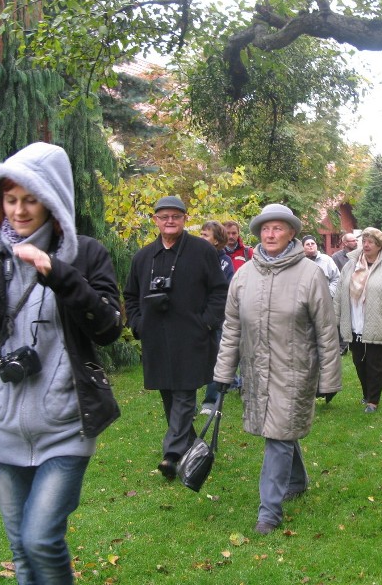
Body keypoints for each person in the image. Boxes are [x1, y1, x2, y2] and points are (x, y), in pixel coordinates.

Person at [0, 142, 123, 584]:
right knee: (21, 551)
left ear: (52, 200)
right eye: (11, 199)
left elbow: (108, 327)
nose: (19, 211)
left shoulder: (86, 254)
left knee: (40, 540)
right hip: (1, 426)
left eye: (30, 199)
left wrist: (57, 273)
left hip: (64, 426)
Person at [213, 203, 342, 535]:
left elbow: (327, 330)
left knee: (278, 436)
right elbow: (231, 328)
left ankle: (269, 512)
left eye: (278, 228)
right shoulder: (243, 276)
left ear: (292, 234)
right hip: (257, 371)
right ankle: (296, 480)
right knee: (279, 432)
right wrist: (224, 372)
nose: (270, 234)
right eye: (265, 229)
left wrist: (329, 378)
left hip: (295, 372)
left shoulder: (310, 274)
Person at [124, 196, 228, 480]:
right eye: (164, 216)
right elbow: (130, 296)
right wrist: (138, 324)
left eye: (176, 216)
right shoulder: (143, 257)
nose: (170, 221)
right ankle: (193, 447)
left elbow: (219, 291)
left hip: (192, 337)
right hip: (156, 339)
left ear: (184, 219)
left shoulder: (202, 251)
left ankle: (171, 454)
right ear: (155, 220)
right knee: (168, 396)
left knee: (184, 394)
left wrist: (206, 323)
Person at [335, 227, 382, 413]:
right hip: (354, 320)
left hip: (378, 321)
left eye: (371, 242)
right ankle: (367, 394)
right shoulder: (350, 265)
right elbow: (339, 294)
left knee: (375, 363)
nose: (366, 245)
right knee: (359, 361)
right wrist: (335, 318)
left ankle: (373, 401)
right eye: (364, 241)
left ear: (379, 246)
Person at [199, 220, 235, 415]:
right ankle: (187, 400)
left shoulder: (224, 262)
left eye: (206, 235)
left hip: (217, 319)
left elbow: (225, 291)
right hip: (195, 317)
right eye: (201, 234)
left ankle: (210, 401)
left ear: (217, 240)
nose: (201, 238)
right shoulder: (193, 258)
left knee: (216, 358)